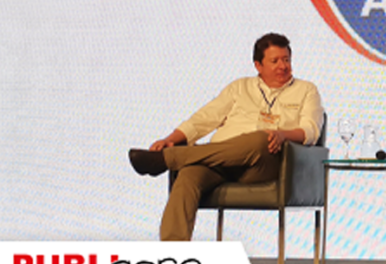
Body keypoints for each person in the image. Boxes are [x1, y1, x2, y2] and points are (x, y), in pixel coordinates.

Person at [128, 32, 324, 241]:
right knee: (188, 175)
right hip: (220, 161)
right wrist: (170, 139)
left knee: (260, 139)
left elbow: (311, 130)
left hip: (264, 163)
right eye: (275, 61)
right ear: (258, 65)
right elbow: (204, 119)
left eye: (286, 60)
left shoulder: (306, 90)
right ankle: (173, 252)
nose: (283, 66)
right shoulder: (240, 87)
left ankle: (169, 159)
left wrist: (282, 134)